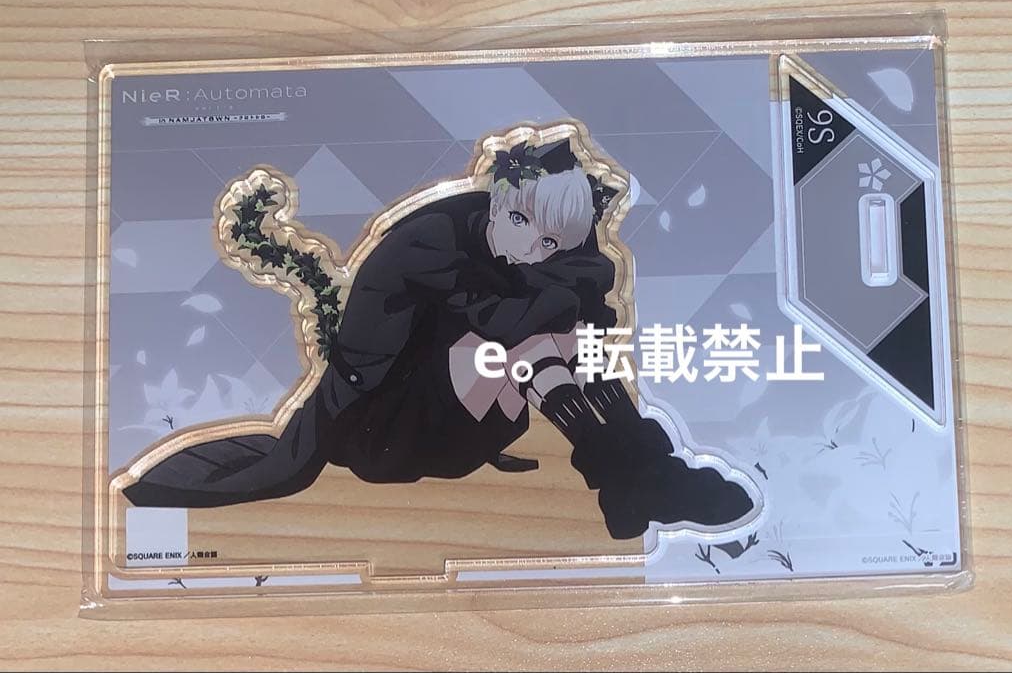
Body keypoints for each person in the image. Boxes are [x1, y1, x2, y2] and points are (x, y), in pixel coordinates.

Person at [121, 134, 754, 539]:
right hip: (385, 426)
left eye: (551, 241)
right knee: (529, 339)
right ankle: (629, 479)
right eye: (522, 224)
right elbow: (502, 322)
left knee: (567, 338)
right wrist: (562, 294)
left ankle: (645, 473)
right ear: (499, 198)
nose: (533, 248)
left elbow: (586, 315)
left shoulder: (528, 240)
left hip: (463, 414)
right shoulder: (433, 240)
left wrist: (572, 294)